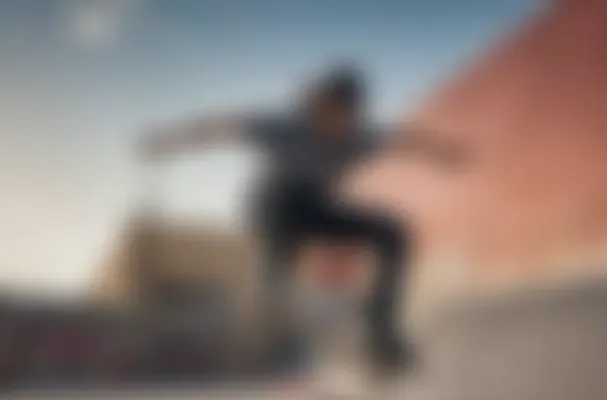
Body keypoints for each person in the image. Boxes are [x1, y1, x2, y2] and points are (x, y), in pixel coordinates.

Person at [138, 64, 469, 372]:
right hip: (275, 207)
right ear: (313, 106)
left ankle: (380, 336)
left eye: (341, 115)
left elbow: (404, 141)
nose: (332, 123)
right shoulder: (284, 126)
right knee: (283, 203)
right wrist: (168, 141)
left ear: (352, 113)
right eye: (324, 112)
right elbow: (222, 127)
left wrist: (444, 152)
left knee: (392, 231)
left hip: (317, 209)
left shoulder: (360, 137)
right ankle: (272, 291)